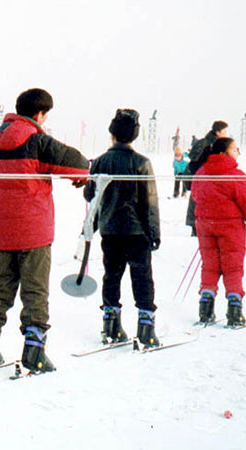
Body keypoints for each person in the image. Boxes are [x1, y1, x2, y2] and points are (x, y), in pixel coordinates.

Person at [0, 88, 89, 373]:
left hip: (2, 230)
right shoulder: (38, 142)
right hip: (34, 232)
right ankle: (34, 352)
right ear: (40, 114)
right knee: (35, 291)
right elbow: (80, 166)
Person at [83, 109, 161, 348]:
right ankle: (146, 329)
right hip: (137, 232)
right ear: (134, 135)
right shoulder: (141, 163)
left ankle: (111, 325)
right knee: (142, 278)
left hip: (110, 230)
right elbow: (150, 202)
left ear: (112, 133)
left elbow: (90, 195)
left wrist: (91, 226)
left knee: (112, 276)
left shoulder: (99, 162)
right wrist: (154, 234)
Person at [192, 137, 246, 326]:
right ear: (223, 153)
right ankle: (235, 310)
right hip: (231, 228)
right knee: (233, 266)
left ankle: (205, 308)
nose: (237, 153)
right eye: (235, 149)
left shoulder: (201, 173)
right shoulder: (235, 175)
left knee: (209, 266)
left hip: (205, 226)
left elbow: (195, 195)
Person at [185, 121, 229, 235]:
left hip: (199, 179)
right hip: (205, 179)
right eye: (224, 131)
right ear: (218, 132)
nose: (226, 134)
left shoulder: (203, 142)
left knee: (196, 202)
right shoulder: (212, 145)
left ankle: (196, 226)